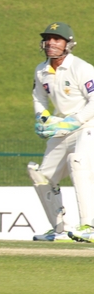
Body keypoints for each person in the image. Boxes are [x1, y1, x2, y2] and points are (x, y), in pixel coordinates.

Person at [30, 22, 94, 243]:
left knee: (78, 162)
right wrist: (42, 119)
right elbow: (39, 98)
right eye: (48, 38)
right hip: (60, 130)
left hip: (87, 128)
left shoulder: (81, 68)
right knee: (42, 177)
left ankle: (90, 226)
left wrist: (74, 122)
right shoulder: (41, 70)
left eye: (56, 39)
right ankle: (60, 230)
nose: (50, 43)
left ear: (68, 44)